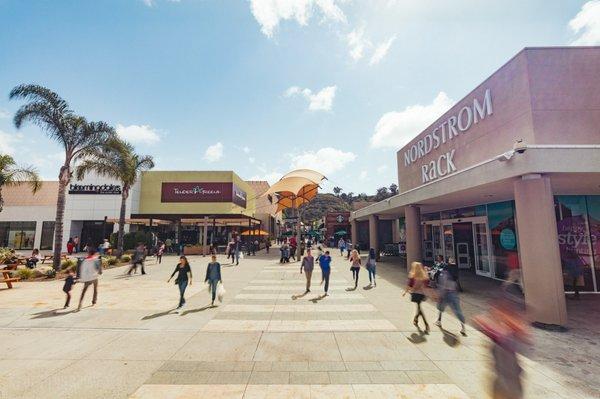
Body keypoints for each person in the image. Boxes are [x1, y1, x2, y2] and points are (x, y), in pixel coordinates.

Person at [436, 265, 467, 335]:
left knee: (440, 308)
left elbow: (443, 286)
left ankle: (439, 320)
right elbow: (456, 287)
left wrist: (440, 295)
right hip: (453, 294)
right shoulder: (454, 277)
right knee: (458, 311)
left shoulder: (444, 274)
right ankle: (463, 327)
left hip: (446, 294)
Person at [406, 262, 430, 333]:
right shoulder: (423, 275)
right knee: (419, 308)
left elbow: (409, 286)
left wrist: (407, 291)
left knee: (420, 309)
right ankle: (416, 319)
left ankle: (426, 324)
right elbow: (427, 284)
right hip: (422, 294)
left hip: (416, 294)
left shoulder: (412, 276)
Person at [76, 246, 102, 311]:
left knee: (84, 291)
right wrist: (99, 272)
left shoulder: (85, 260)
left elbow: (82, 270)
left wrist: (82, 278)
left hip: (87, 278)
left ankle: (80, 305)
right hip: (94, 277)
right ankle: (94, 301)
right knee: (95, 289)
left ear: (89, 253)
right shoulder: (96, 260)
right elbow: (99, 270)